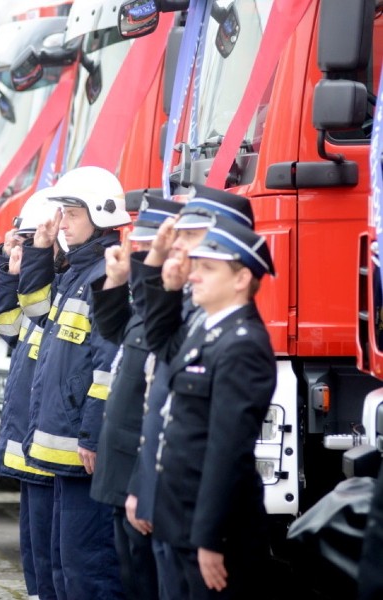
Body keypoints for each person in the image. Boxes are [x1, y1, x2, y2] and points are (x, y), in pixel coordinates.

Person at [145, 215, 276, 599]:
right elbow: (163, 346)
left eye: (207, 268)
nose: (194, 276)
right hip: (183, 519)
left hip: (213, 529)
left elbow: (227, 451)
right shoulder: (207, 326)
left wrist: (210, 538)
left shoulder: (243, 345)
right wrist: (167, 291)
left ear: (240, 279)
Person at [17, 166, 127, 599]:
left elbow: (107, 367)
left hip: (83, 450)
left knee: (88, 570)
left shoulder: (104, 276)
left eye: (71, 215)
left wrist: (94, 435)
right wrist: (40, 251)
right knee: (65, 569)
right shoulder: (77, 273)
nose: (61, 223)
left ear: (101, 216)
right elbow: (34, 308)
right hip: (64, 449)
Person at [91, 194, 183, 600]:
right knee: (131, 572)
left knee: (148, 579)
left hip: (142, 469)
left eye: (150, 250)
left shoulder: (174, 313)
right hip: (122, 463)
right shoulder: (148, 310)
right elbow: (113, 330)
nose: (142, 259)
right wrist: (114, 281)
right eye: (141, 249)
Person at [0, 188, 58, 600]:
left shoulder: (58, 286)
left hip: (49, 443)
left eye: (31, 241)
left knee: (53, 552)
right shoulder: (36, 284)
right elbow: (8, 329)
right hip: (27, 437)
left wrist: (29, 269)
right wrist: (8, 269)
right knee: (33, 546)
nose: (25, 248)